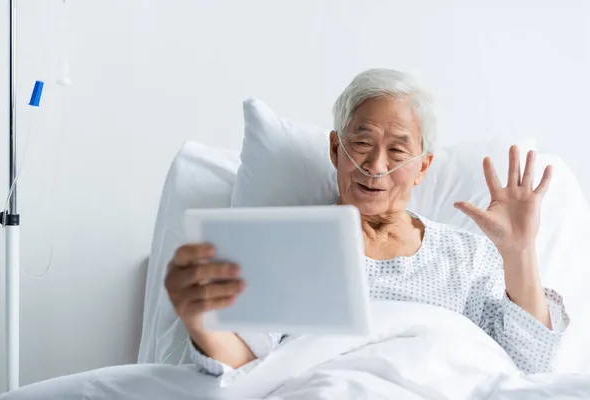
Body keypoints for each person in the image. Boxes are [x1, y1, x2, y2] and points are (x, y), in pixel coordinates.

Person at [164, 68, 569, 378]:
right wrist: (201, 321)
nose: (375, 167)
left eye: (397, 150)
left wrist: (520, 253)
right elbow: (248, 368)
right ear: (336, 149)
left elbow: (527, 367)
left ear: (422, 167)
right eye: (361, 143)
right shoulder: (291, 246)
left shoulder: (467, 255)